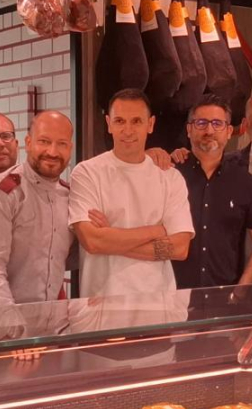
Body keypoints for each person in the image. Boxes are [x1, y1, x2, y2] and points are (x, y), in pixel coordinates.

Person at [69, 88, 193, 297]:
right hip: (101, 302)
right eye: (120, 121)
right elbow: (92, 242)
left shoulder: (171, 178)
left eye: (136, 121)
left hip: (158, 304)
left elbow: (180, 248)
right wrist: (157, 231)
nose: (128, 130)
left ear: (150, 124)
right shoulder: (87, 173)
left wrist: (110, 237)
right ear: (108, 124)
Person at [0, 110, 76, 306]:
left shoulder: (71, 196)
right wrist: (10, 321)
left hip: (53, 320)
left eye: (61, 144)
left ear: (71, 148)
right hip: (5, 321)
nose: (52, 152)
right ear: (28, 142)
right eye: (44, 141)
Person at [173, 94, 252, 288]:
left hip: (224, 297)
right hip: (173, 295)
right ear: (189, 130)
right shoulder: (170, 175)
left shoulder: (246, 183)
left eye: (217, 124)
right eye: (201, 123)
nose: (209, 130)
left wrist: (240, 290)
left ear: (228, 131)